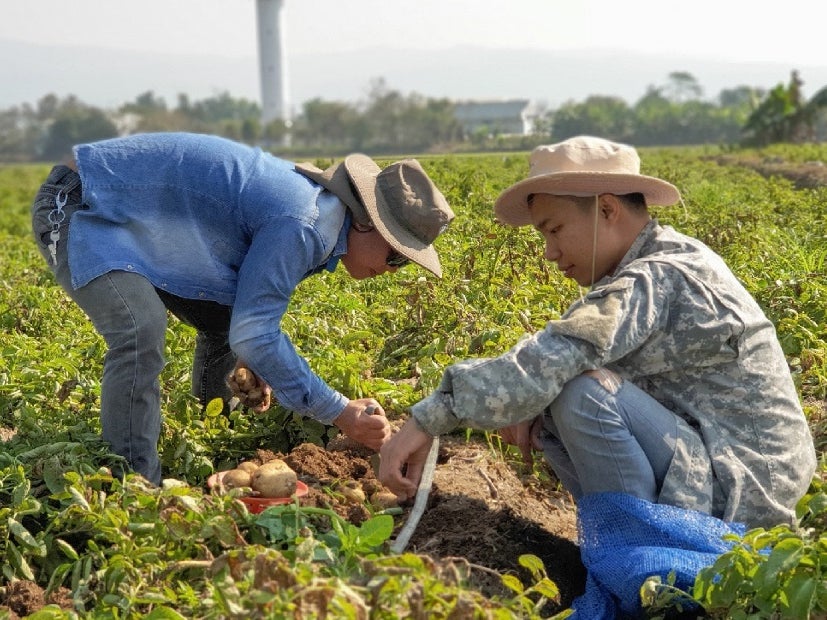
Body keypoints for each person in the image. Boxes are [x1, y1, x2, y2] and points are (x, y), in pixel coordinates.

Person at [379, 135, 815, 529]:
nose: (550, 252)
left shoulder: (657, 276)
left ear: (607, 209)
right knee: (557, 394)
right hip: (734, 474)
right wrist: (531, 404)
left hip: (744, 494)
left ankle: (643, 563)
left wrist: (430, 418)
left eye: (555, 230)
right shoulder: (665, 259)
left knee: (581, 392)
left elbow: (559, 352)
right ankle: (625, 549)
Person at [31, 131, 454, 485]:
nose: (393, 269)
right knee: (139, 330)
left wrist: (261, 361)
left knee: (224, 319)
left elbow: (248, 320)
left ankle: (212, 427)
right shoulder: (304, 224)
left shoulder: (319, 219)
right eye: (396, 255)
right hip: (84, 202)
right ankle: (134, 484)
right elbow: (256, 331)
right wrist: (339, 411)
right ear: (365, 222)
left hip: (141, 220)